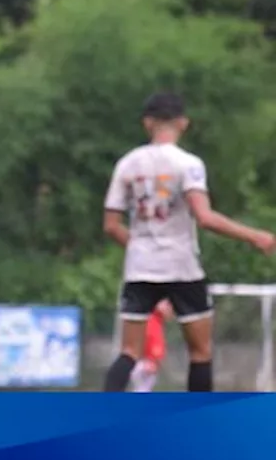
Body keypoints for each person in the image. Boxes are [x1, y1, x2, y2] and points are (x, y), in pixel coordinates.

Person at [101, 92, 275, 392]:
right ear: (183, 122)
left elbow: (111, 226)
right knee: (200, 351)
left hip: (140, 268)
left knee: (129, 352)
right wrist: (254, 235)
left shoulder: (127, 165)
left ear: (147, 123)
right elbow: (204, 217)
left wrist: (143, 246)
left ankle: (100, 418)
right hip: (183, 267)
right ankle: (199, 425)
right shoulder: (188, 164)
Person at [129, 299, 171, 392]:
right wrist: (152, 359)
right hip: (145, 363)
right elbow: (149, 338)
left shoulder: (155, 320)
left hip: (145, 362)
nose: (169, 308)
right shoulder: (152, 320)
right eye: (167, 304)